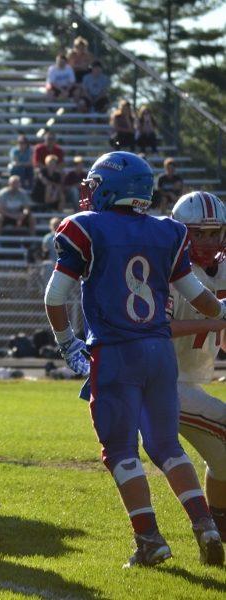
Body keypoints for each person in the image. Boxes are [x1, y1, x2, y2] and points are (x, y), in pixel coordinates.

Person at [44, 151, 224, 567]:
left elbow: (55, 297)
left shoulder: (85, 227)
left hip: (116, 351)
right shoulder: (168, 231)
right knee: (166, 446)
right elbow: (198, 295)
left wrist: (66, 343)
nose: (88, 191)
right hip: (160, 353)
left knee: (121, 451)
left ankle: (149, 539)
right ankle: (206, 525)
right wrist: (221, 314)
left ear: (109, 187)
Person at [167, 191, 226, 539]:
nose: (206, 240)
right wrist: (214, 322)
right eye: (197, 233)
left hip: (189, 381)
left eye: (213, 231)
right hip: (162, 381)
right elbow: (158, 328)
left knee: (222, 461)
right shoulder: (169, 270)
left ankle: (217, 530)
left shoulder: (221, 269)